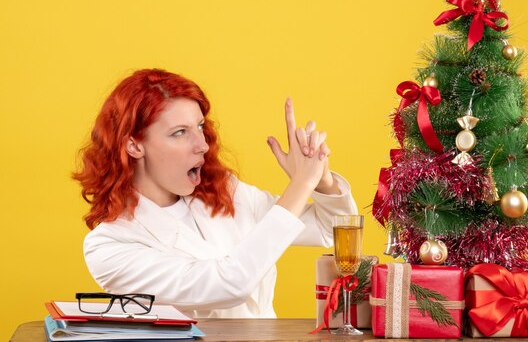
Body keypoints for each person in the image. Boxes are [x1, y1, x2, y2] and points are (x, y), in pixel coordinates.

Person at [74, 68, 358, 318]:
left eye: (199, 127)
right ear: (134, 145)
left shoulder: (226, 193)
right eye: (179, 133)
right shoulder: (109, 247)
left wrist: (321, 180)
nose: (202, 145)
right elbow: (229, 284)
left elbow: (330, 229)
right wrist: (300, 183)